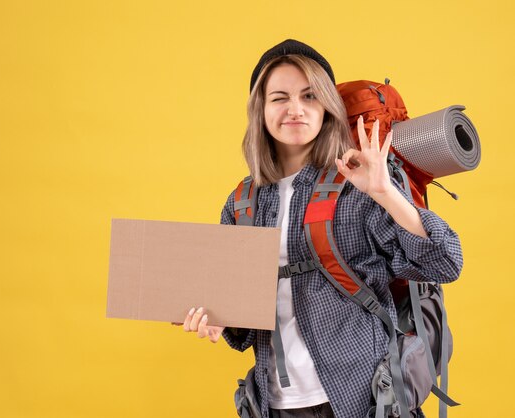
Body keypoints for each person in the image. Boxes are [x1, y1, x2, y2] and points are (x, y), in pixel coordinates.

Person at [180, 39, 463, 418]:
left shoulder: (358, 185)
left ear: (327, 106)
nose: (295, 110)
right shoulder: (242, 202)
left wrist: (386, 194)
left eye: (310, 96)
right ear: (260, 109)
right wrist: (218, 319)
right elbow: (243, 331)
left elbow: (445, 263)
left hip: (364, 400)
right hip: (274, 404)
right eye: (279, 97)